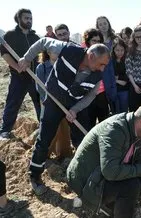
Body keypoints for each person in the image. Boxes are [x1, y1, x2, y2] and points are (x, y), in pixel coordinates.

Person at [18, 38, 110, 195]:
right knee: (44, 139)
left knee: (83, 140)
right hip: (54, 101)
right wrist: (27, 58)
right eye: (102, 64)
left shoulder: (97, 76)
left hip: (76, 105)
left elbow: (91, 95)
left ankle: (85, 175)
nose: (102, 69)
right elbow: (43, 42)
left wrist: (75, 110)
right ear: (91, 56)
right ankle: (34, 176)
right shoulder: (67, 50)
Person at [66, 102, 141, 217]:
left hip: (101, 174)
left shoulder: (135, 132)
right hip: (84, 180)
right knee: (131, 186)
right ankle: (106, 206)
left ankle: (117, 203)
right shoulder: (114, 130)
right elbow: (110, 171)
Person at [0, 8, 41, 140]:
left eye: (30, 18)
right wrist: (17, 67)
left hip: (35, 77)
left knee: (39, 102)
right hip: (18, 77)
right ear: (19, 19)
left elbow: (40, 56)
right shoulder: (10, 36)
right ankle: (5, 131)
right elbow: (5, 54)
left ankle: (43, 127)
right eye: (26, 18)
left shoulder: (35, 37)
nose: (29, 21)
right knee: (13, 102)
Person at [36, 50, 72, 160]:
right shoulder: (41, 68)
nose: (57, 53)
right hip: (48, 104)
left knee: (64, 129)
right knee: (49, 130)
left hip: (63, 103)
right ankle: (43, 155)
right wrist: (48, 102)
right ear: (47, 52)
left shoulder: (64, 66)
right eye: (53, 51)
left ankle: (63, 154)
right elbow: (40, 88)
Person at [112, 37, 129, 113]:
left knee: (124, 111)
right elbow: (110, 76)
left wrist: (116, 79)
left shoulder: (127, 60)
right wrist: (119, 79)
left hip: (124, 90)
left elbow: (125, 80)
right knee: (115, 111)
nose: (120, 52)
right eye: (117, 50)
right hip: (113, 89)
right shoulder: (110, 61)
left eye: (122, 50)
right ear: (113, 50)